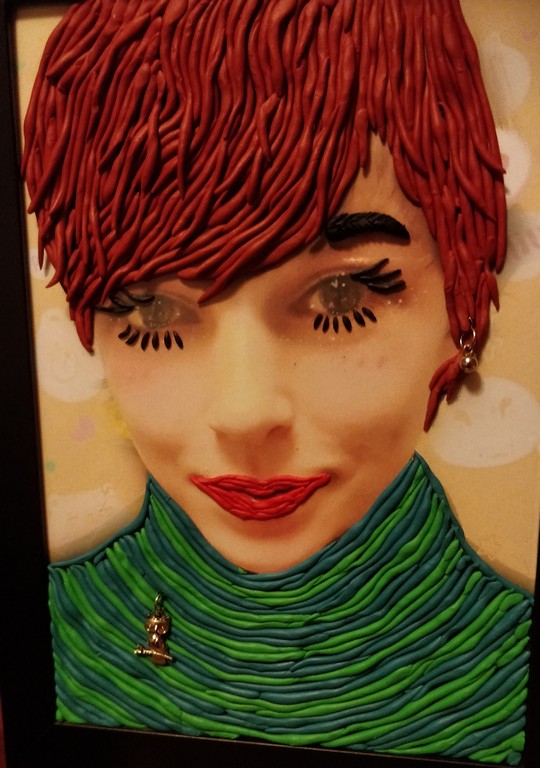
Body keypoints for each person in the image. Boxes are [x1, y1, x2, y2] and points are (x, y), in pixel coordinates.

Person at [23, 0, 532, 763]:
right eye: (152, 310)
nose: (244, 411)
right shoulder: (58, 628)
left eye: (341, 297)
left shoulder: (509, 666)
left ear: (460, 306)